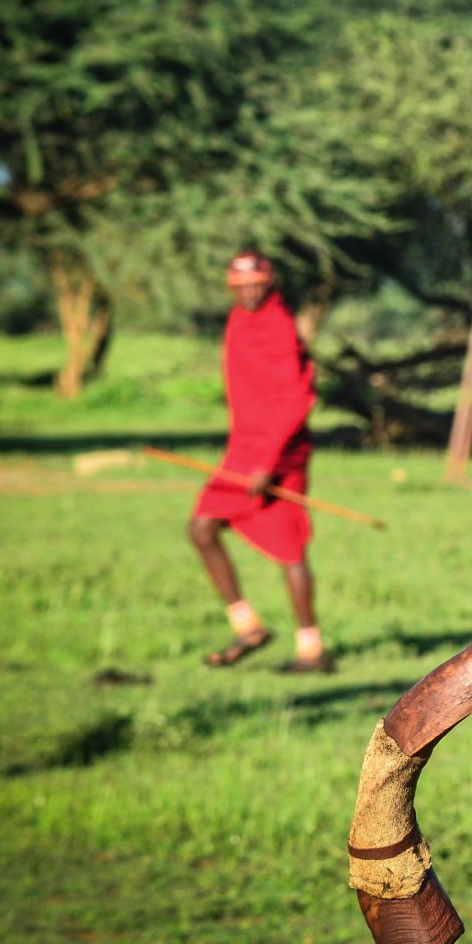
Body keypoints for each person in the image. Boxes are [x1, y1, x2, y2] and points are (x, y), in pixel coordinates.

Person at [190, 250, 327, 673]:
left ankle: (312, 651)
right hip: (246, 446)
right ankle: (248, 626)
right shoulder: (238, 319)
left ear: (269, 284)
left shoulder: (278, 325)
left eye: (255, 285)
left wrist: (268, 463)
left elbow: (297, 397)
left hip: (278, 451)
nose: (248, 293)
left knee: (289, 548)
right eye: (240, 287)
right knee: (202, 528)